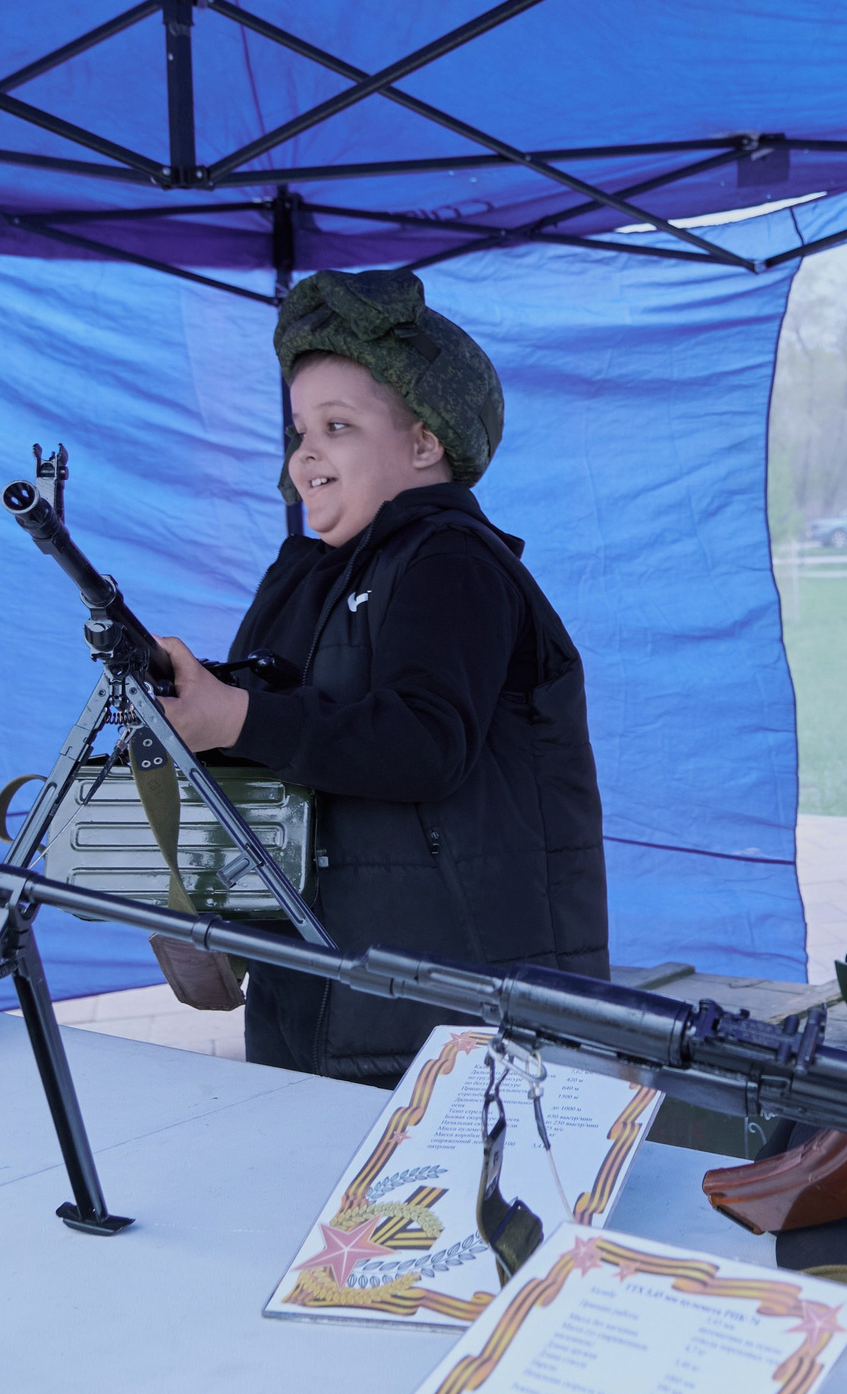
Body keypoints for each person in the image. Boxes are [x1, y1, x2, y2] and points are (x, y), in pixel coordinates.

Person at [152, 268, 608, 1088]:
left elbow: (422, 742)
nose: (307, 453)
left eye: (339, 425)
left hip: (447, 1015)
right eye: (299, 430)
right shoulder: (308, 573)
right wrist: (188, 708)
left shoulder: (451, 560)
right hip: (320, 994)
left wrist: (238, 719)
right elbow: (276, 731)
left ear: (425, 442)